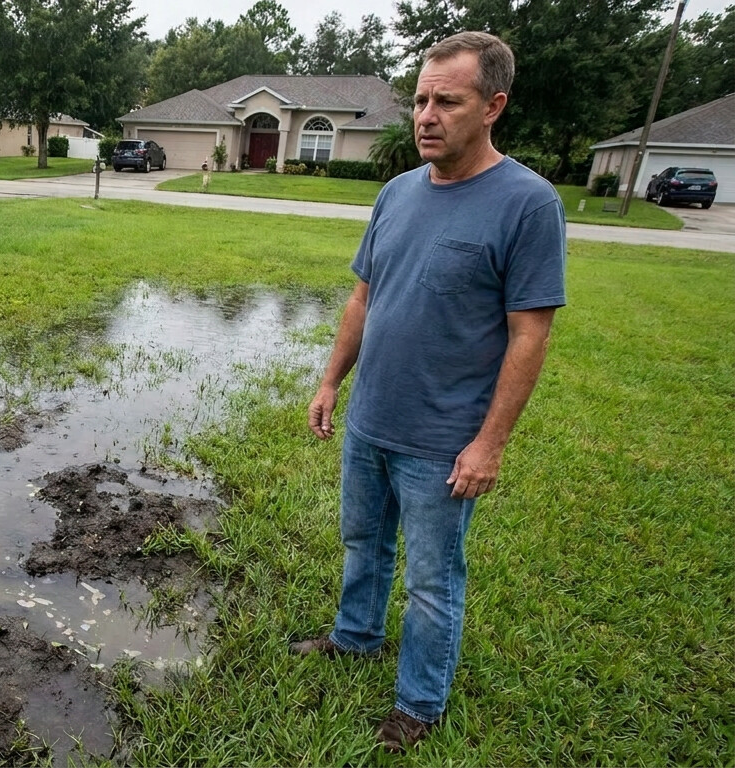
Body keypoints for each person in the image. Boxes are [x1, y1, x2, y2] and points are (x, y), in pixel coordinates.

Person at [295, 31, 567, 753]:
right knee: (362, 545)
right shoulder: (396, 193)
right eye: (420, 99)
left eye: (447, 100)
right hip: (371, 420)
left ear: (493, 106)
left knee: (432, 581)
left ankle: (418, 702)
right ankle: (354, 637)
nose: (426, 114)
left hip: (442, 441)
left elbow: (529, 335)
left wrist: (489, 443)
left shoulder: (527, 204)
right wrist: (330, 382)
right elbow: (362, 298)